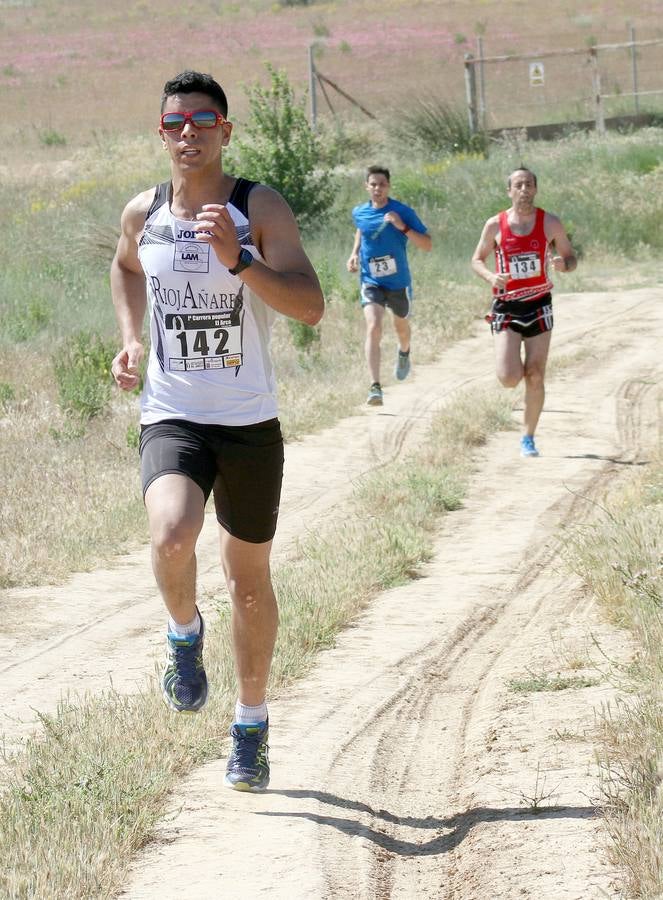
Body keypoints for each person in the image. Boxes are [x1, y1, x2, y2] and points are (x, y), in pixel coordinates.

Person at [110, 70, 324, 792]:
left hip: (248, 423)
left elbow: (310, 306)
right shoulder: (144, 212)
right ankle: (182, 634)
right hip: (173, 413)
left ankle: (251, 726)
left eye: (203, 120)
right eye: (175, 122)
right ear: (161, 133)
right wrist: (132, 338)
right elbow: (124, 267)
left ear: (225, 132)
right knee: (170, 534)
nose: (188, 132)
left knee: (250, 582)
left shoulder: (257, 205)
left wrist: (241, 258)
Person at [471, 167, 577, 457]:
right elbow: (477, 260)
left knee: (536, 374)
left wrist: (563, 264)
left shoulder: (550, 222)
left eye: (529, 184)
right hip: (506, 305)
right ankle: (510, 359)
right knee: (508, 378)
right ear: (509, 191)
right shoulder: (495, 225)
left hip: (540, 303)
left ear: (536, 189)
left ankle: (528, 438)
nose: (524, 189)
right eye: (518, 185)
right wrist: (491, 277)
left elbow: (571, 257)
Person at [346, 166, 432, 406]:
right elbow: (361, 231)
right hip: (370, 280)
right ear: (366, 186)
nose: (377, 188)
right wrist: (353, 254)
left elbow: (427, 244)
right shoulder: (359, 212)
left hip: (398, 283)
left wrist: (401, 226)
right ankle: (375, 386)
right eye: (373, 184)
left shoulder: (402, 211)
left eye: (382, 184)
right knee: (373, 326)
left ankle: (404, 352)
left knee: (401, 326)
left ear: (389, 186)